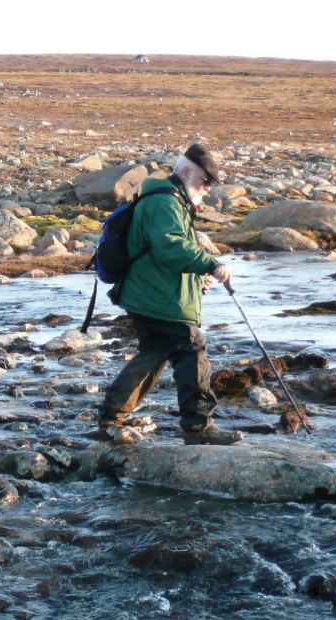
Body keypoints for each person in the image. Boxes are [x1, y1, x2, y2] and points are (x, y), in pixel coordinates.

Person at [97, 144, 242, 445]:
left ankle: (112, 415)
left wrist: (198, 279)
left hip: (149, 294)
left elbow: (162, 253)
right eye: (205, 180)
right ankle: (198, 427)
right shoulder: (165, 202)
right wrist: (210, 263)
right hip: (155, 298)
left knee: (156, 352)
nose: (208, 188)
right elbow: (171, 248)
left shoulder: (170, 200)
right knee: (191, 348)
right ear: (187, 172)